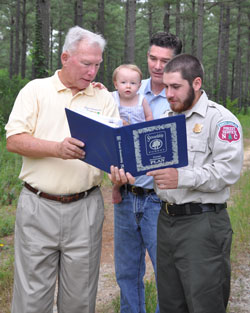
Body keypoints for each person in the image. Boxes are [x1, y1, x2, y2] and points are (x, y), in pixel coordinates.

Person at [5, 26, 119, 313]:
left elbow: (114, 151)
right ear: (65, 57)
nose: (92, 72)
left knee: (80, 299)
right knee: (31, 298)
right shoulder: (36, 90)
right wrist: (57, 149)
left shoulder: (104, 99)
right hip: (38, 206)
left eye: (97, 65)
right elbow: (14, 140)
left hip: (86, 208)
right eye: (86, 63)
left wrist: (120, 172)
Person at [146, 54, 244, 313]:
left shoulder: (220, 120)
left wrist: (183, 177)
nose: (168, 94)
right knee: (170, 303)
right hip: (166, 221)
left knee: (204, 302)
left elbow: (228, 171)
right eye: (165, 86)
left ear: (196, 83)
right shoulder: (165, 119)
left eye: (175, 87)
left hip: (202, 225)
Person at [112, 32, 182, 313]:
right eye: (153, 58)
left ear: (176, 62)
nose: (157, 65)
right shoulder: (129, 87)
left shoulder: (182, 96)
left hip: (160, 199)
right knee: (127, 271)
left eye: (165, 60)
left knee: (165, 270)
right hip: (126, 194)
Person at [111, 63, 153, 203]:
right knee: (119, 167)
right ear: (116, 84)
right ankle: (117, 188)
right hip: (120, 139)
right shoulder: (112, 98)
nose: (128, 86)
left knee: (138, 164)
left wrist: (148, 127)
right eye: (123, 82)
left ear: (139, 86)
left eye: (133, 83)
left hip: (138, 137)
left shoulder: (141, 100)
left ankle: (135, 185)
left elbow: (148, 116)